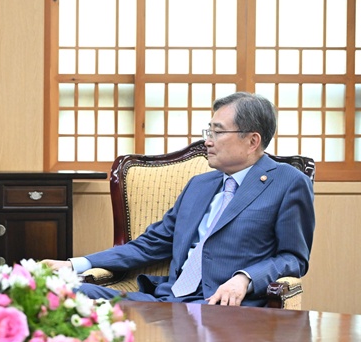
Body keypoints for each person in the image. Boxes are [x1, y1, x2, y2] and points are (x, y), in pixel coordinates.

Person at [43, 92, 315, 307]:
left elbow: (293, 258)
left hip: (224, 307)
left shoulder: (288, 183)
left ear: (252, 141)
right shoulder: (199, 185)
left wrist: (245, 279)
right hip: (167, 300)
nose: (207, 141)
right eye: (208, 131)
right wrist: (75, 264)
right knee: (62, 292)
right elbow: (151, 244)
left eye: (217, 132)